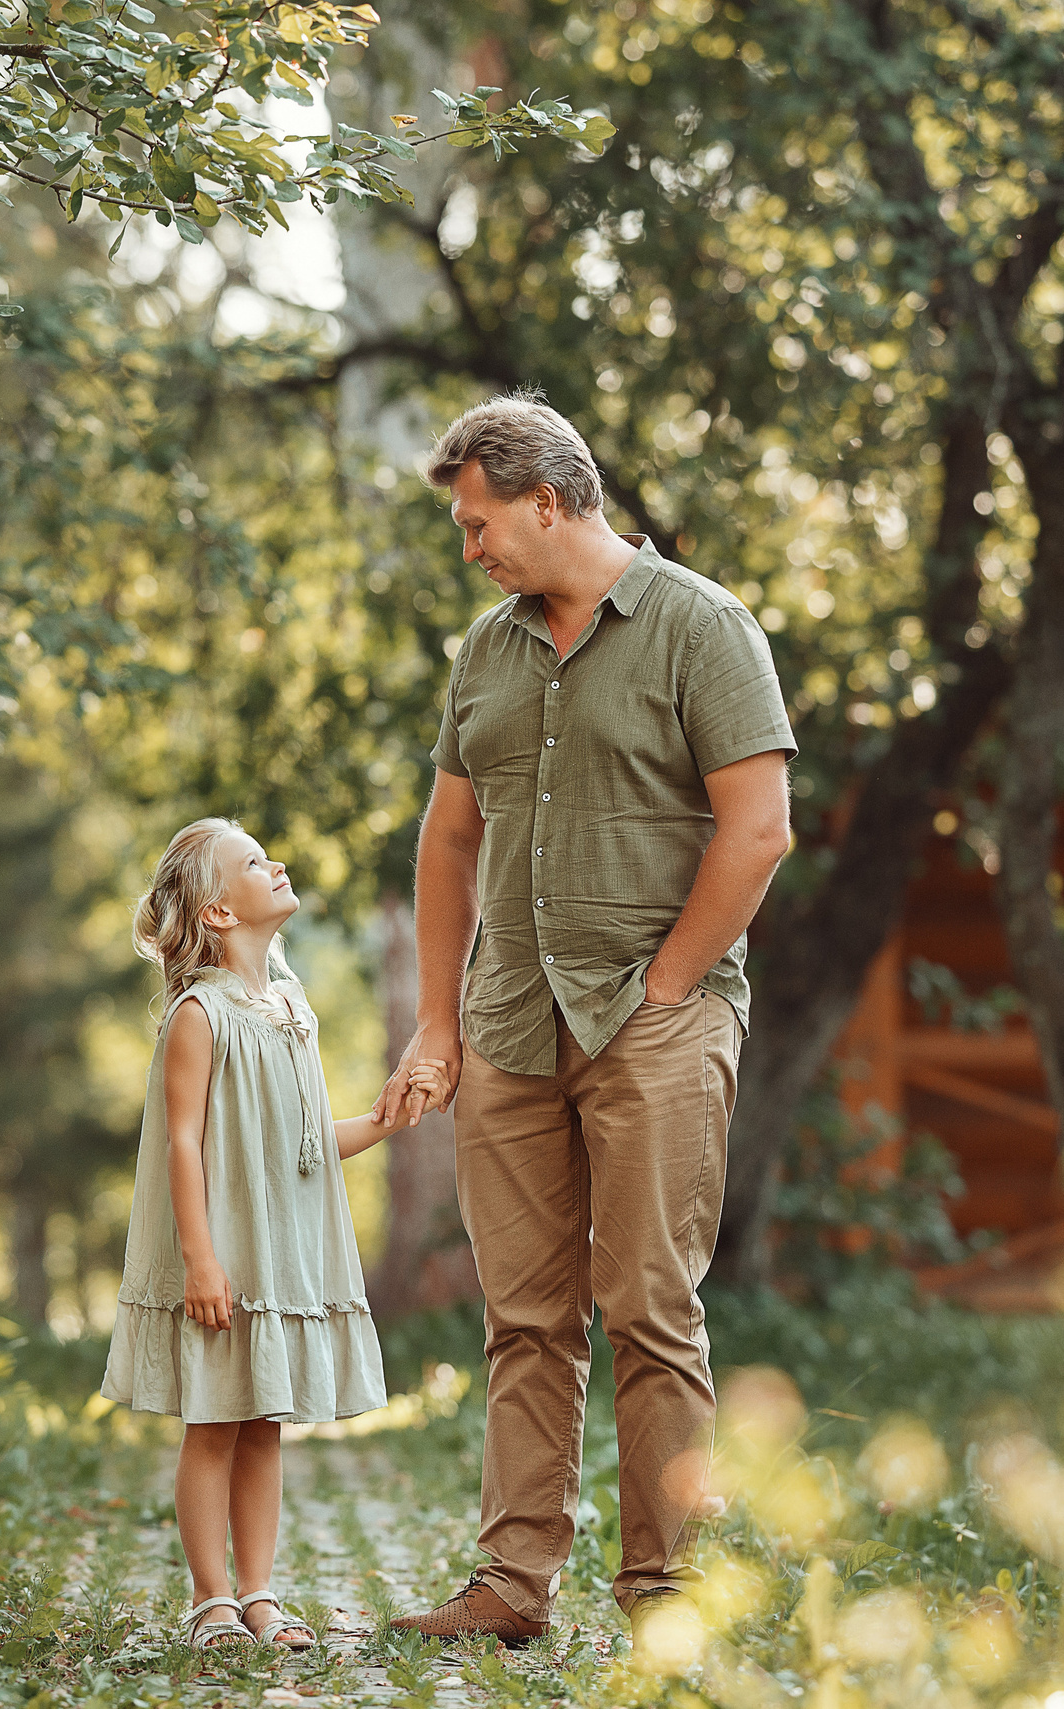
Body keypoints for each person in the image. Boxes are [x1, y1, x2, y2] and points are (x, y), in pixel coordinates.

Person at [374, 391, 795, 1652]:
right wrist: (435, 1024)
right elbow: (447, 839)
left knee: (650, 1305)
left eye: (478, 521)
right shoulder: (485, 653)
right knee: (523, 1314)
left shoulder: (700, 627)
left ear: (546, 502)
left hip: (653, 1017)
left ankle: (666, 1593)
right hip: (508, 1020)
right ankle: (511, 1584)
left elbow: (758, 828)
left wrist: (665, 985)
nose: (471, 547)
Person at [102, 817, 448, 1654]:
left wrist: (381, 1118)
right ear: (218, 912)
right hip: (222, 1251)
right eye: (254, 862)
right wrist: (200, 1259)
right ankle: (209, 1599)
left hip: (277, 1252)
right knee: (212, 1422)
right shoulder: (197, 1014)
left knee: (263, 1423)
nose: (277, 862)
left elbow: (302, 1140)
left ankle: (259, 1592)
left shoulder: (292, 1007)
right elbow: (182, 1142)